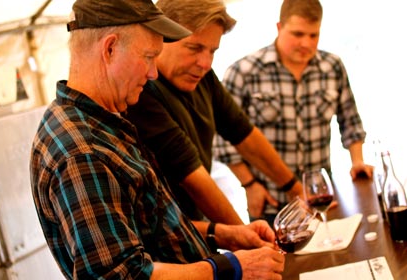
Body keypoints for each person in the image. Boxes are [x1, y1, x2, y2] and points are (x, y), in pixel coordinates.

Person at [30, 0, 285, 279]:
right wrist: (233, 267)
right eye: (149, 57)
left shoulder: (104, 123)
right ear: (110, 49)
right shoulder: (82, 152)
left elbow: (151, 226)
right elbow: (123, 275)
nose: (153, 74)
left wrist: (224, 234)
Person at [126, 0, 303, 226]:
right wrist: (246, 237)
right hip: (168, 238)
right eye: (194, 48)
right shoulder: (142, 92)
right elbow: (191, 175)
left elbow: (243, 133)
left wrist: (296, 190)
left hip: (198, 226)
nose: (206, 63)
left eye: (212, 51)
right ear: (161, 37)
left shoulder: (202, 78)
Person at [213, 0, 374, 221]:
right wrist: (250, 185)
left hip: (321, 199)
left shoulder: (332, 67)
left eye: (313, 35)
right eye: (297, 34)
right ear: (279, 27)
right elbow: (223, 141)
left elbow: (351, 121)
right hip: (271, 202)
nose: (306, 43)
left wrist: (357, 160)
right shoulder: (244, 72)